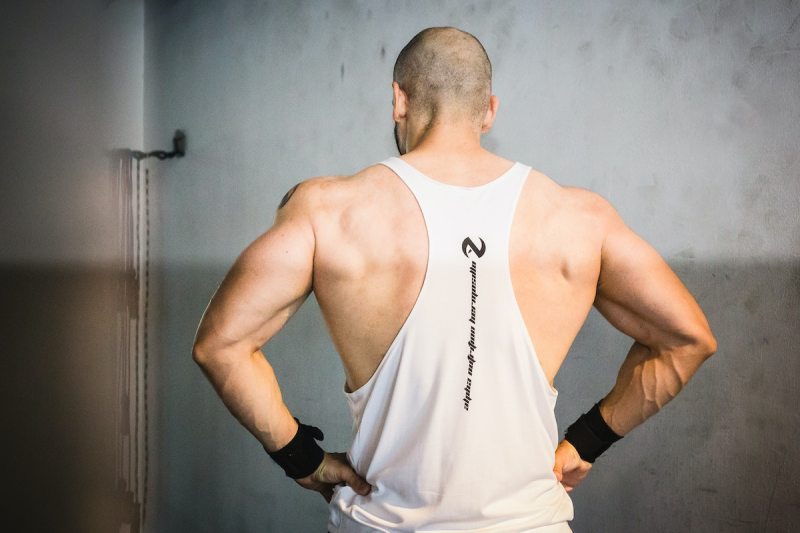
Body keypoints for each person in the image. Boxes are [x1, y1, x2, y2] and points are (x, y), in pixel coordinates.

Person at [192, 26, 717, 532]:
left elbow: (221, 346)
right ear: (489, 110)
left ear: (399, 100)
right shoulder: (580, 219)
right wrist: (587, 440)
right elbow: (688, 339)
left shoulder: (328, 211)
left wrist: (302, 458)